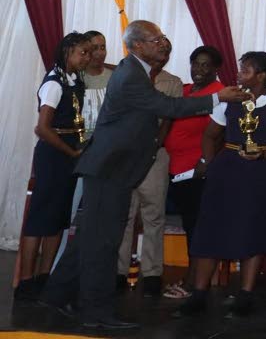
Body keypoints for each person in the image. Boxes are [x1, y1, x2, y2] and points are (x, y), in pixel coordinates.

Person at [40, 20, 246, 332]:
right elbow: (166, 106)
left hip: (114, 168)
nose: (163, 43)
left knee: (90, 238)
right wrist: (219, 98)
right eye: (155, 39)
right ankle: (95, 310)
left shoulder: (135, 70)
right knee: (103, 243)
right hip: (110, 169)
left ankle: (55, 295)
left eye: (163, 37)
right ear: (137, 46)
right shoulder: (130, 74)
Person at [176, 52, 266, 317]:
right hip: (226, 172)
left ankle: (245, 295)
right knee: (210, 229)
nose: (239, 74)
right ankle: (199, 295)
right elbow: (210, 135)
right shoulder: (229, 101)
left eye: (245, 70)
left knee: (252, 232)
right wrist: (210, 162)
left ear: (262, 75)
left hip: (260, 175)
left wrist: (263, 154)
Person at [15, 33, 91, 301]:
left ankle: (45, 276)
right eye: (83, 52)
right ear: (68, 51)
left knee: (59, 218)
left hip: (69, 153)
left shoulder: (76, 79)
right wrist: (71, 151)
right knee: (40, 219)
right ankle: (26, 281)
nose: (87, 58)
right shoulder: (54, 84)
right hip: (54, 154)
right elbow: (43, 128)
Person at [116, 36, 183, 298]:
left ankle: (152, 273)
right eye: (160, 48)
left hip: (156, 153)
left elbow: (168, 116)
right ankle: (118, 271)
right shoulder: (128, 75)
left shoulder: (173, 82)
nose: (163, 53)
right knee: (125, 214)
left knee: (154, 215)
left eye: (168, 51)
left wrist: (156, 144)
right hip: (126, 154)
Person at [160, 46, 224, 300]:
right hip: (176, 170)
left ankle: (194, 283)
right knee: (190, 225)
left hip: (198, 171)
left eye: (206, 65)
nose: (199, 70)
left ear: (216, 68)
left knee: (198, 228)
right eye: (196, 64)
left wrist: (205, 161)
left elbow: (221, 133)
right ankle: (193, 279)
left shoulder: (219, 94)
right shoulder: (185, 91)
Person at [79, 30, 115, 141]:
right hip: (80, 144)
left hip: (108, 143)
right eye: (95, 48)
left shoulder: (115, 77)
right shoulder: (76, 78)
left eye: (103, 47)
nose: (100, 53)